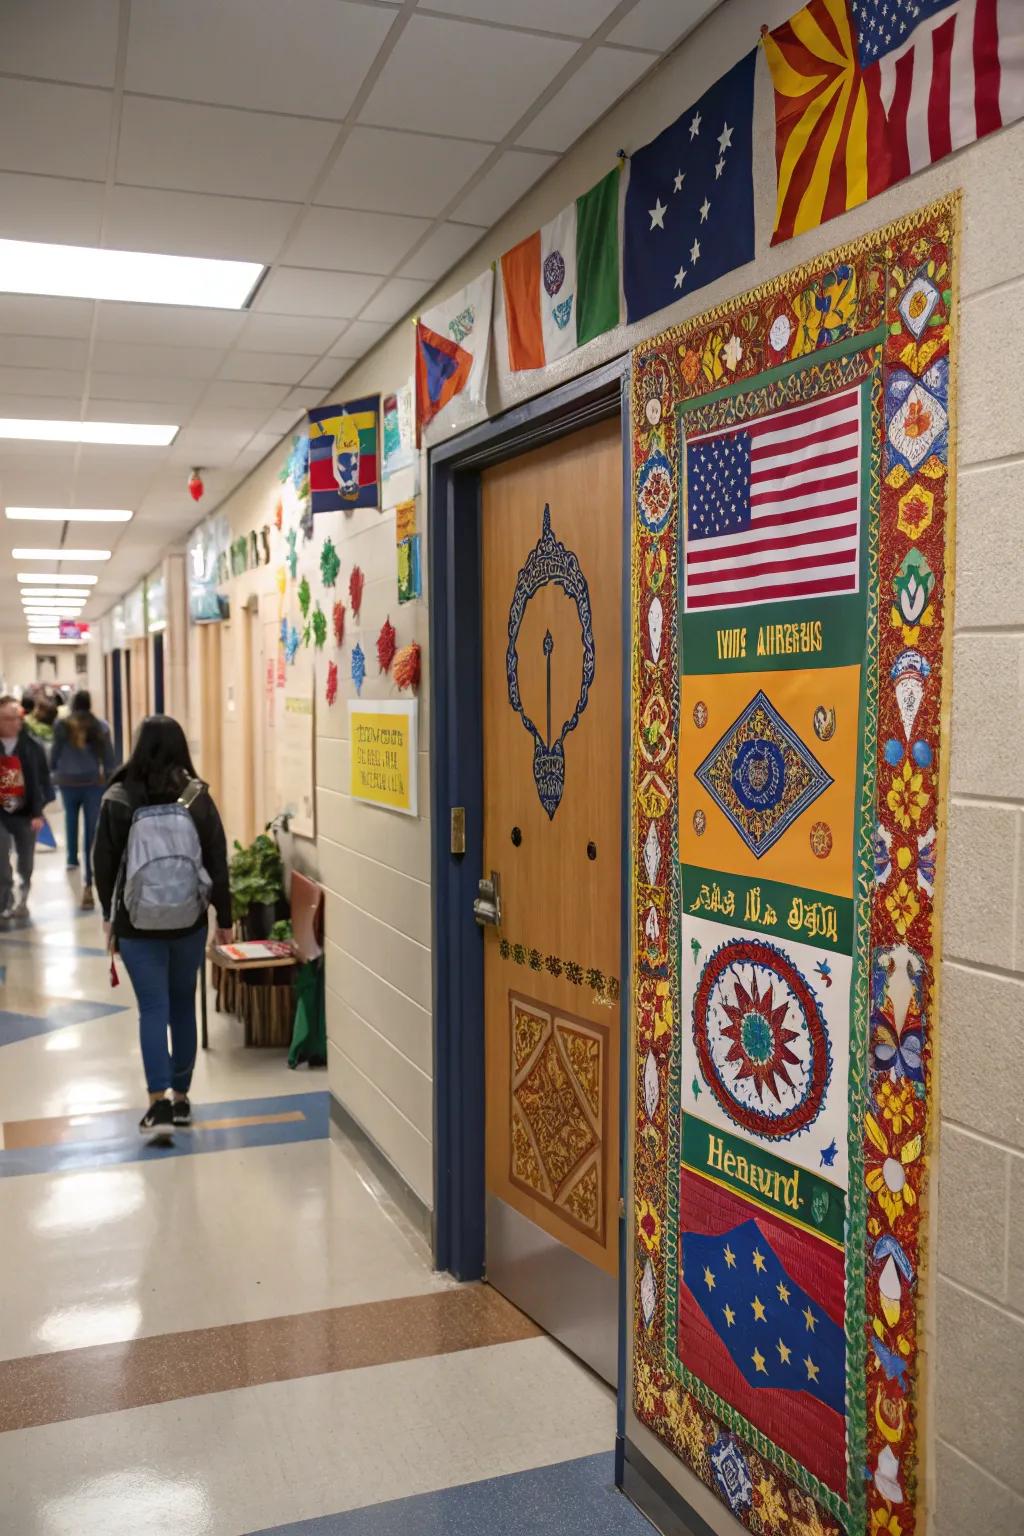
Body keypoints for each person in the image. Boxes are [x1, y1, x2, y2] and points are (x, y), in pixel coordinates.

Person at [93, 715, 232, 1136]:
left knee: (152, 1009)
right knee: (182, 1006)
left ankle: (158, 1104)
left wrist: (108, 917)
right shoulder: (196, 796)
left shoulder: (118, 797)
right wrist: (224, 919)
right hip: (188, 921)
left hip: (137, 924)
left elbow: (104, 865)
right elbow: (217, 860)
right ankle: (183, 1098)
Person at [51, 690, 117, 909]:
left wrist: (52, 772)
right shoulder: (101, 727)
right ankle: (90, 877)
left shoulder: (62, 726)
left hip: (67, 781)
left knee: (70, 818)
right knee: (91, 830)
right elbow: (108, 758)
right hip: (92, 784)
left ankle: (71, 859)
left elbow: (54, 753)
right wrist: (111, 780)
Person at [0, 694, 49, 924]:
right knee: (1, 854)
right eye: (8, 718)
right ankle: (5, 899)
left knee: (25, 858)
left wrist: (38, 812)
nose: (14, 723)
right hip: (1, 812)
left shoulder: (31, 747)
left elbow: (41, 781)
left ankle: (24, 893)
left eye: (17, 718)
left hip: (25, 811)